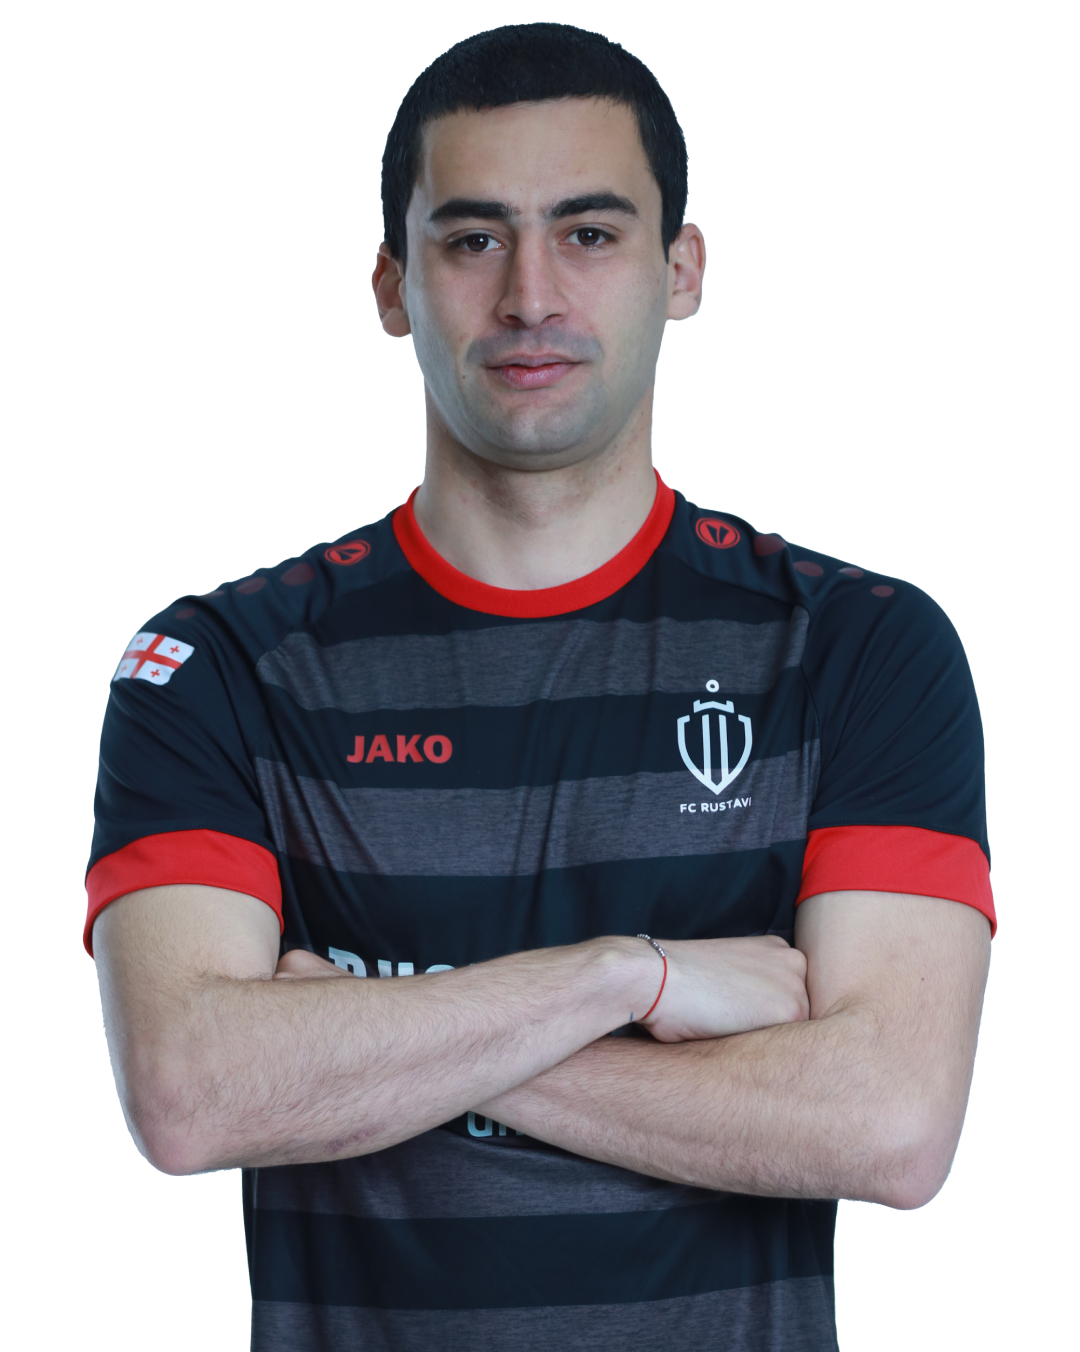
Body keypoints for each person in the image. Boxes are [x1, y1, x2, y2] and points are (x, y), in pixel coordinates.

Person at [86, 23, 994, 1352]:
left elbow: (893, 1126)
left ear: (681, 270)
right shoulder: (215, 662)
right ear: (392, 285)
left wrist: (362, 1038)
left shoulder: (860, 646)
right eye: (473, 238)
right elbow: (189, 1098)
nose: (529, 295)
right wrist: (626, 978)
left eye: (589, 233)